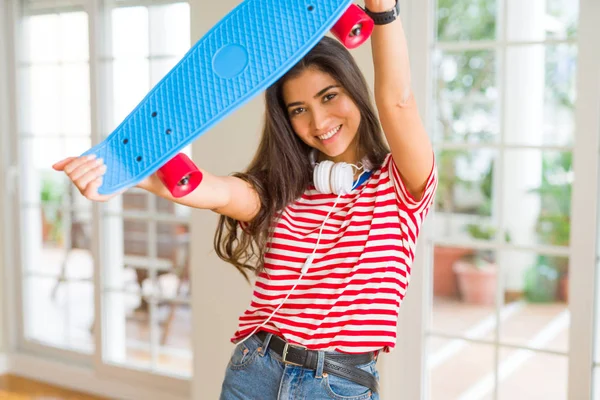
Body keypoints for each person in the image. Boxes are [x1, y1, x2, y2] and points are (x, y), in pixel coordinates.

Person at [53, 0, 437, 398]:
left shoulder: (401, 185)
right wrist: (119, 172)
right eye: (299, 109)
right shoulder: (283, 187)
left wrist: (384, 13)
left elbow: (399, 102)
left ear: (354, 90)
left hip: (337, 385)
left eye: (329, 96)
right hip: (254, 370)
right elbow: (212, 191)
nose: (319, 122)